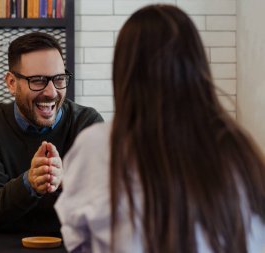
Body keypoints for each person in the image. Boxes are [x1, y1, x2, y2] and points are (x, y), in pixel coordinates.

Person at [55, 4, 265, 253]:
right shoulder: (239, 149)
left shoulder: (97, 146)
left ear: (124, 71)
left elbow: (78, 241)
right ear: (197, 66)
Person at [0, 32, 103, 234]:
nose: (51, 92)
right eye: (38, 80)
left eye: (58, 79)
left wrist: (65, 180)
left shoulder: (87, 124)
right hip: (3, 243)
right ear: (12, 83)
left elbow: (106, 205)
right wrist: (29, 183)